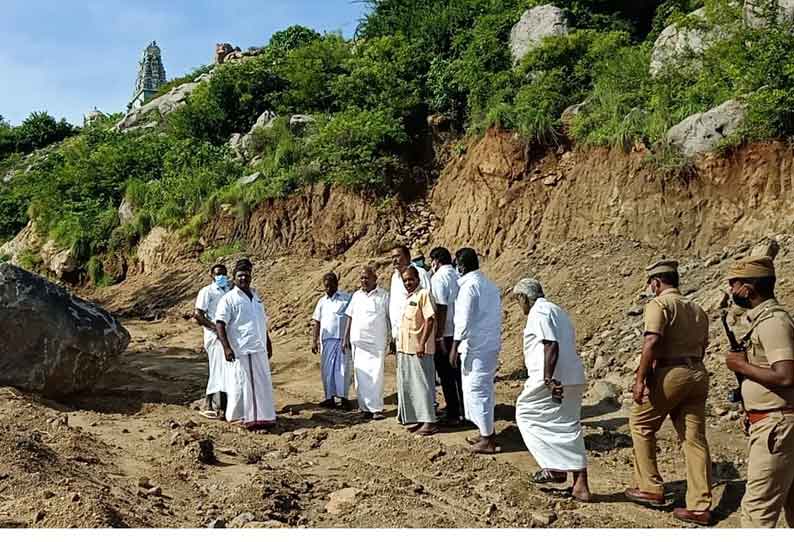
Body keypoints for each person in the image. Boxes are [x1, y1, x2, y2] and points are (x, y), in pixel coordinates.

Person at [625, 260, 712, 526]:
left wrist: (640, 380)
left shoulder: (659, 304)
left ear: (656, 282)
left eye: (651, 284)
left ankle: (650, 487)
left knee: (640, 424)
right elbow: (704, 344)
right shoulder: (697, 309)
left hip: (670, 372)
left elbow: (651, 340)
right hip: (697, 371)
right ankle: (700, 505)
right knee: (694, 438)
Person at [723, 256, 794, 528]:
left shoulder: (773, 323)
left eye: (735, 284)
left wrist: (741, 365)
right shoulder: (765, 320)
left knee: (757, 512)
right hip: (774, 422)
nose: (732, 291)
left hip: (777, 426)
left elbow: (786, 375)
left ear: (749, 287)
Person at [512, 278, 591, 502]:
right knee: (567, 425)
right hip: (572, 375)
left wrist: (548, 379)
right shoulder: (557, 310)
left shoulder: (539, 312)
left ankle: (554, 469)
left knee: (526, 414)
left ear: (523, 298)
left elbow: (550, 344)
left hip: (550, 377)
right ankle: (579, 484)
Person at [449, 248, 502, 454]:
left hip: (476, 347)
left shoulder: (469, 287)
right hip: (488, 344)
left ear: (461, 267)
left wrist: (454, 346)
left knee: (476, 390)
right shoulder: (489, 285)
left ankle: (488, 439)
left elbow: (463, 320)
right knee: (484, 389)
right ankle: (484, 431)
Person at [215, 259, 276, 431]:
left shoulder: (256, 297)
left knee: (261, 382)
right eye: (240, 276)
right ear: (234, 278)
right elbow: (220, 324)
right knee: (242, 383)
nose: (243, 278)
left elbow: (261, 322)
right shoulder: (229, 299)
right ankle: (239, 417)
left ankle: (263, 417)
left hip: (258, 347)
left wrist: (268, 342)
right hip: (241, 348)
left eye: (246, 275)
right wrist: (226, 347)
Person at [343, 265, 390, 420]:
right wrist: (345, 337)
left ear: (375, 279)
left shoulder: (383, 296)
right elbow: (349, 316)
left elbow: (390, 318)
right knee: (360, 376)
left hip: (376, 343)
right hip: (358, 342)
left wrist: (393, 338)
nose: (363, 281)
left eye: (366, 278)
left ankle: (376, 409)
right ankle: (364, 408)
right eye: (362, 278)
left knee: (376, 376)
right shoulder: (356, 296)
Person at [397, 266, 438, 436]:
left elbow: (430, 319)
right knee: (412, 386)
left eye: (411, 279)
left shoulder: (424, 294)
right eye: (405, 280)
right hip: (406, 349)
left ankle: (430, 422)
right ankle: (420, 419)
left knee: (424, 385)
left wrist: (421, 343)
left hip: (420, 349)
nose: (408, 283)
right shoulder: (408, 298)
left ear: (418, 279)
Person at [429, 246, 463, 425]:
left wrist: (438, 335)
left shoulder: (439, 277)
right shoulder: (458, 275)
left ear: (436, 261)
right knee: (458, 374)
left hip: (446, 334)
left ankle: (453, 413)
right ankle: (463, 410)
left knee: (446, 375)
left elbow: (441, 307)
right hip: (458, 332)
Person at [194, 264, 233, 420]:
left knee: (227, 371)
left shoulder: (229, 291)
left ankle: (225, 405)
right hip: (214, 336)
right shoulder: (206, 291)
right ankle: (209, 405)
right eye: (218, 274)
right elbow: (198, 315)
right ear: (211, 275)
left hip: (227, 335)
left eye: (224, 274)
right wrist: (215, 329)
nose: (221, 277)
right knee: (217, 369)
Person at [311, 272, 353, 409]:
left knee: (343, 369)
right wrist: (314, 340)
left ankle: (344, 398)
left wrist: (349, 338)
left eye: (331, 285)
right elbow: (316, 322)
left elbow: (352, 318)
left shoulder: (346, 298)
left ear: (336, 284)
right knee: (327, 370)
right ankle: (329, 398)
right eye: (326, 286)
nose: (328, 288)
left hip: (342, 340)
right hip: (326, 341)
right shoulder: (322, 302)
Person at [389, 245, 431, 352]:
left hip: (417, 336)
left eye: (398, 256)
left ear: (407, 257)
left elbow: (428, 303)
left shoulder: (420, 273)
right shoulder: (395, 277)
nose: (394, 260)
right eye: (392, 257)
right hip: (399, 335)